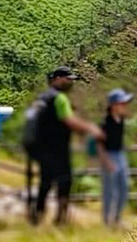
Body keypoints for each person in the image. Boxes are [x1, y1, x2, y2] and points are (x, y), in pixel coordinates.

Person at [31, 67, 103, 226]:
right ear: (56, 78)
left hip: (43, 147)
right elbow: (69, 121)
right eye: (67, 79)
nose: (70, 82)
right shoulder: (59, 98)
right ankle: (61, 220)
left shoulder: (42, 98)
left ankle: (37, 217)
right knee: (65, 182)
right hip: (58, 148)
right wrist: (91, 129)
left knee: (45, 182)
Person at [98, 88, 133, 228]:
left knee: (124, 189)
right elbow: (99, 145)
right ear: (113, 105)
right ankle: (107, 222)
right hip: (109, 155)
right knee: (109, 191)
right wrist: (106, 161)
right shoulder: (105, 124)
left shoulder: (121, 120)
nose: (125, 106)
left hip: (120, 155)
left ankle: (117, 219)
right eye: (122, 103)